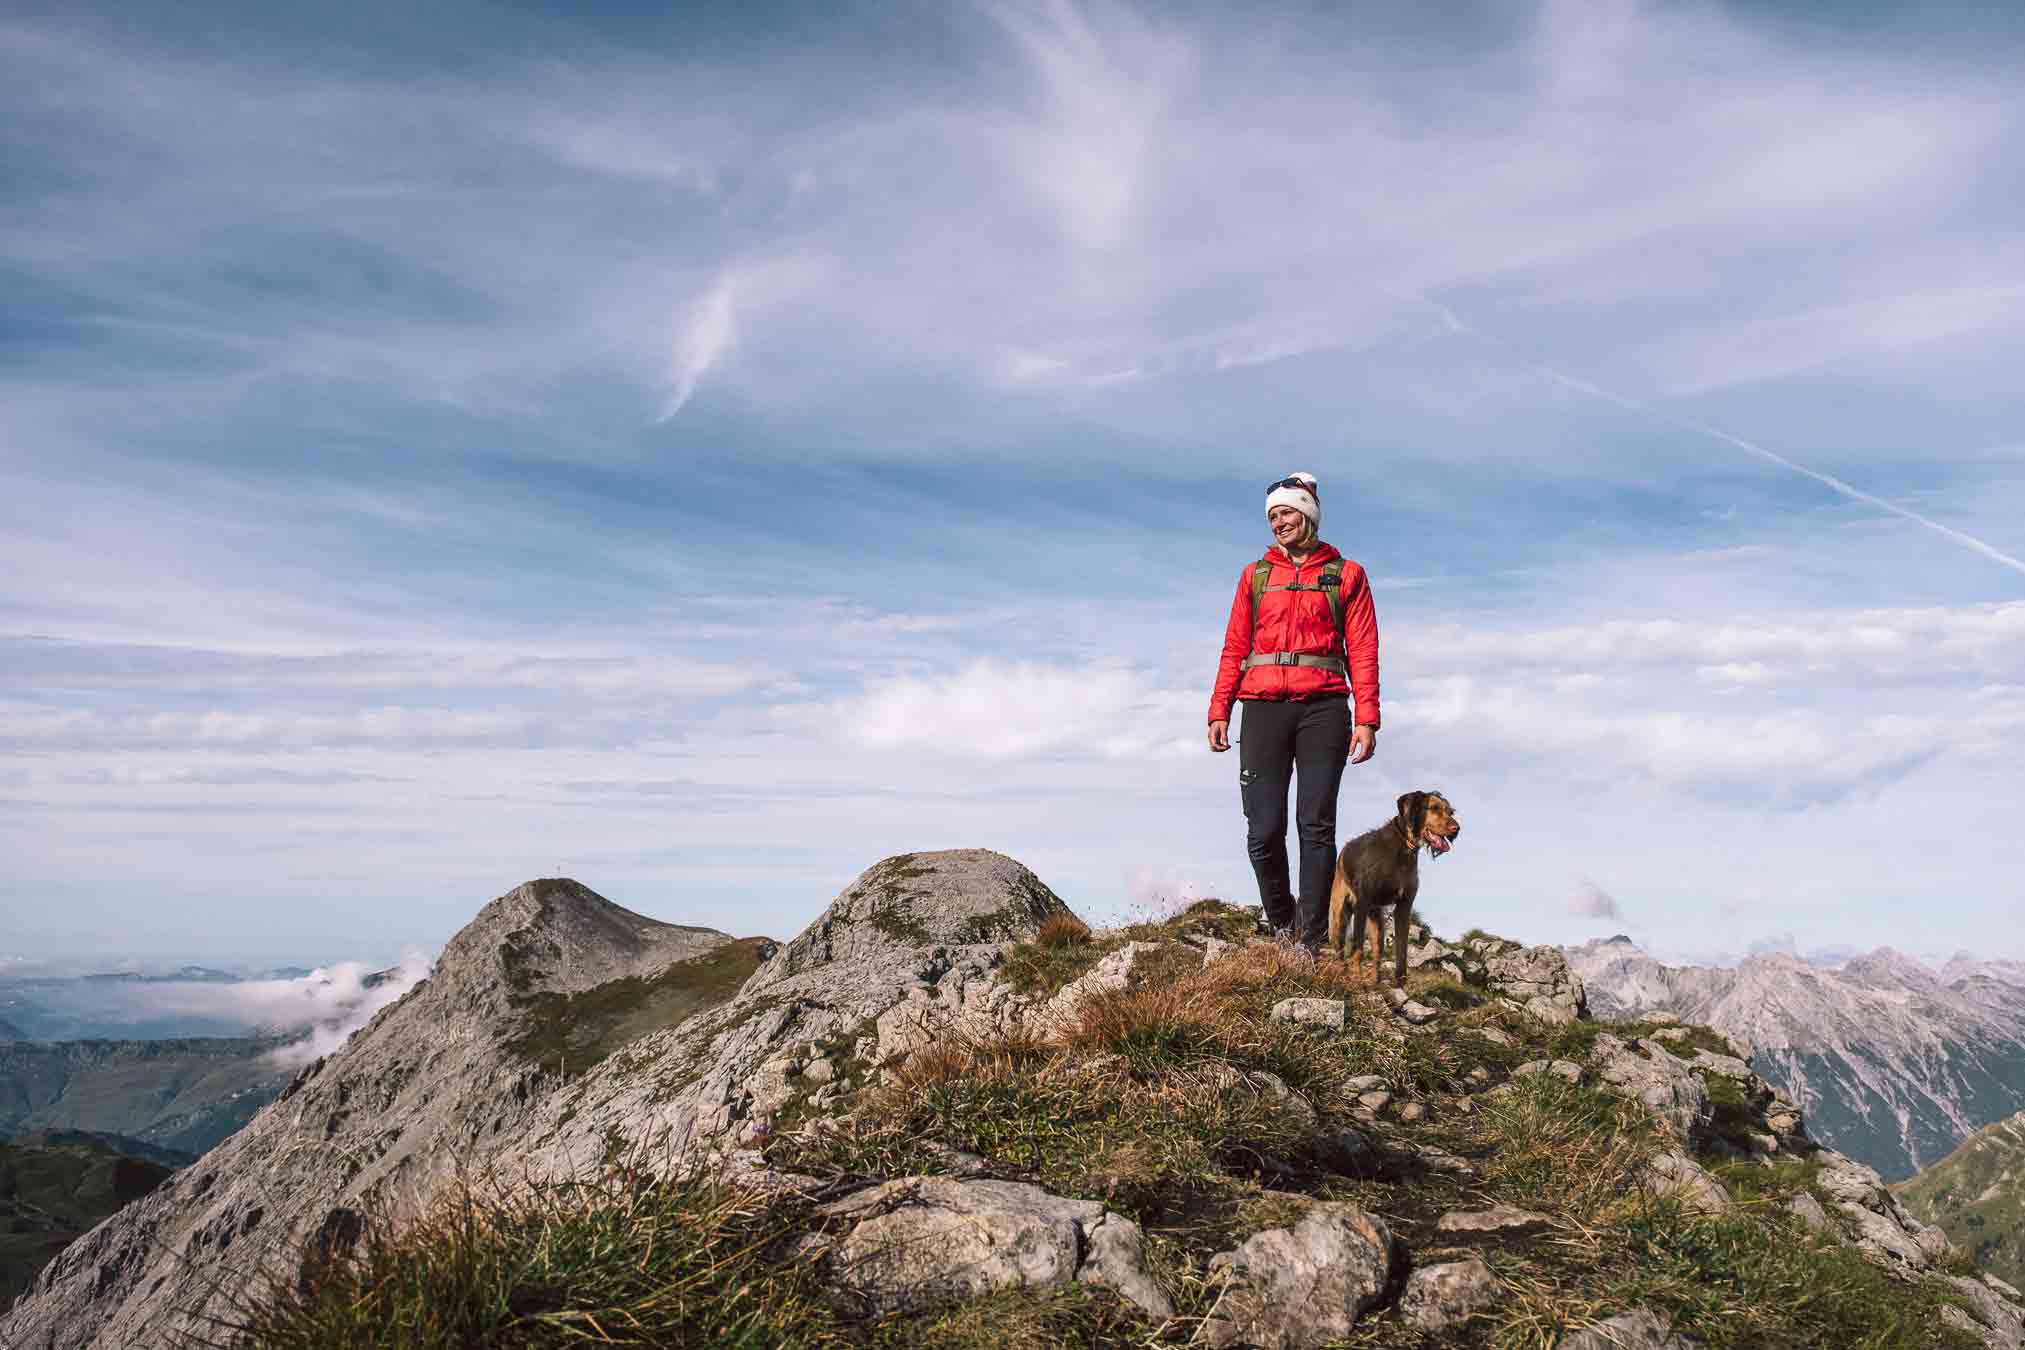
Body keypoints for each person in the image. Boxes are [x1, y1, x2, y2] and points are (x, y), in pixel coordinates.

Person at [1207, 473, 1380, 950]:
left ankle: (1310, 941)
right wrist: (1219, 708)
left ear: (1309, 514)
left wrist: (1367, 717)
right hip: (1261, 708)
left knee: (1315, 826)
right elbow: (1234, 647)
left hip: (1323, 708)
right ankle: (1282, 927)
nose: (1279, 523)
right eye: (1272, 517)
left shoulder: (1347, 575)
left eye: (1287, 513)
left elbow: (1363, 649)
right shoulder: (1255, 576)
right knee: (1263, 830)